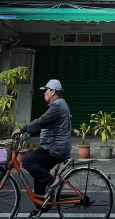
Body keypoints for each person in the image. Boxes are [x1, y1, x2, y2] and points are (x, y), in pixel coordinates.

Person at [13, 79, 71, 216]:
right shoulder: (57, 105)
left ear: (53, 91)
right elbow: (45, 124)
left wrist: (23, 129)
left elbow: (41, 121)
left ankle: (53, 182)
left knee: (27, 162)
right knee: (38, 172)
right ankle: (40, 206)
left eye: (46, 90)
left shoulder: (57, 106)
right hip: (52, 146)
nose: (44, 93)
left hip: (55, 149)